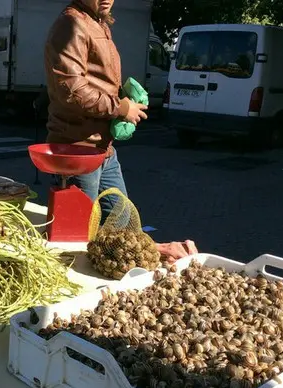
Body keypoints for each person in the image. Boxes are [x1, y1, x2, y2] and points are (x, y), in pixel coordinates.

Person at [45, 0, 197, 262]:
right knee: (77, 239)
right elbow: (70, 90)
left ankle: (155, 254)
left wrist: (122, 95)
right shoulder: (70, 24)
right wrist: (121, 107)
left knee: (125, 225)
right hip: (77, 149)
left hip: (103, 147)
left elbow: (95, 80)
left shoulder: (97, 22)